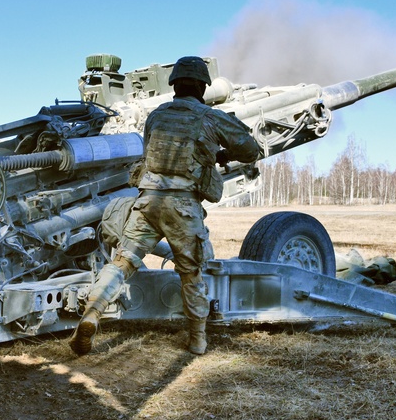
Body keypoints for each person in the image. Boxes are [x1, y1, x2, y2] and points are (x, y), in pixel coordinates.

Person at [70, 56, 261, 356]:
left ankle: (92, 314)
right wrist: (219, 154)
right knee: (191, 273)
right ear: (202, 85)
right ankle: (197, 339)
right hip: (182, 207)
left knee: (121, 264)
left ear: (174, 85)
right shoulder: (210, 116)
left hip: (147, 203)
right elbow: (250, 150)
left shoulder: (156, 116)